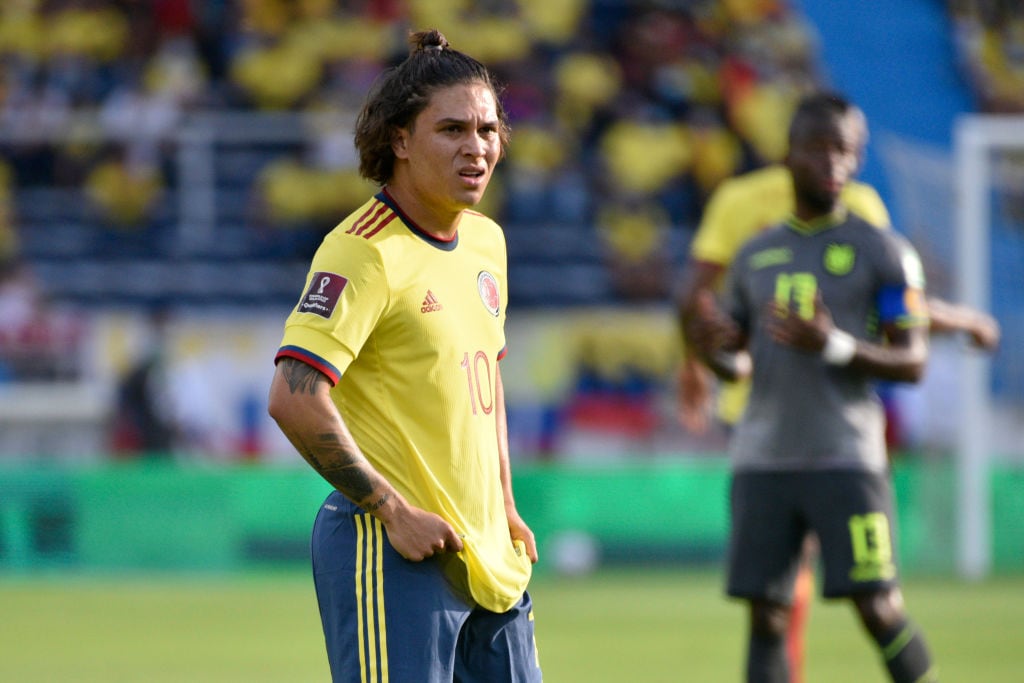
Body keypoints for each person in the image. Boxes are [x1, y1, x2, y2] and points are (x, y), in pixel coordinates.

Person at [676, 105, 1000, 683]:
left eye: (844, 149)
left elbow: (913, 360)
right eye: (817, 147)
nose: (831, 160)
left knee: (876, 607)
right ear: (787, 157)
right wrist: (709, 351)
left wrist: (834, 345)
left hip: (845, 457)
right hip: (764, 460)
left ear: (857, 159)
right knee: (769, 615)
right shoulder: (755, 256)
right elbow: (741, 365)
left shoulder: (883, 251)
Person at [266, 30, 542, 683]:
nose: (476, 147)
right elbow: (294, 395)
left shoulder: (486, 241)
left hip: (486, 553)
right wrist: (392, 509)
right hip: (392, 549)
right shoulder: (363, 251)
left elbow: (486, 382)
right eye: (452, 130)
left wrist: (503, 504)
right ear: (401, 141)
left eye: (488, 129)